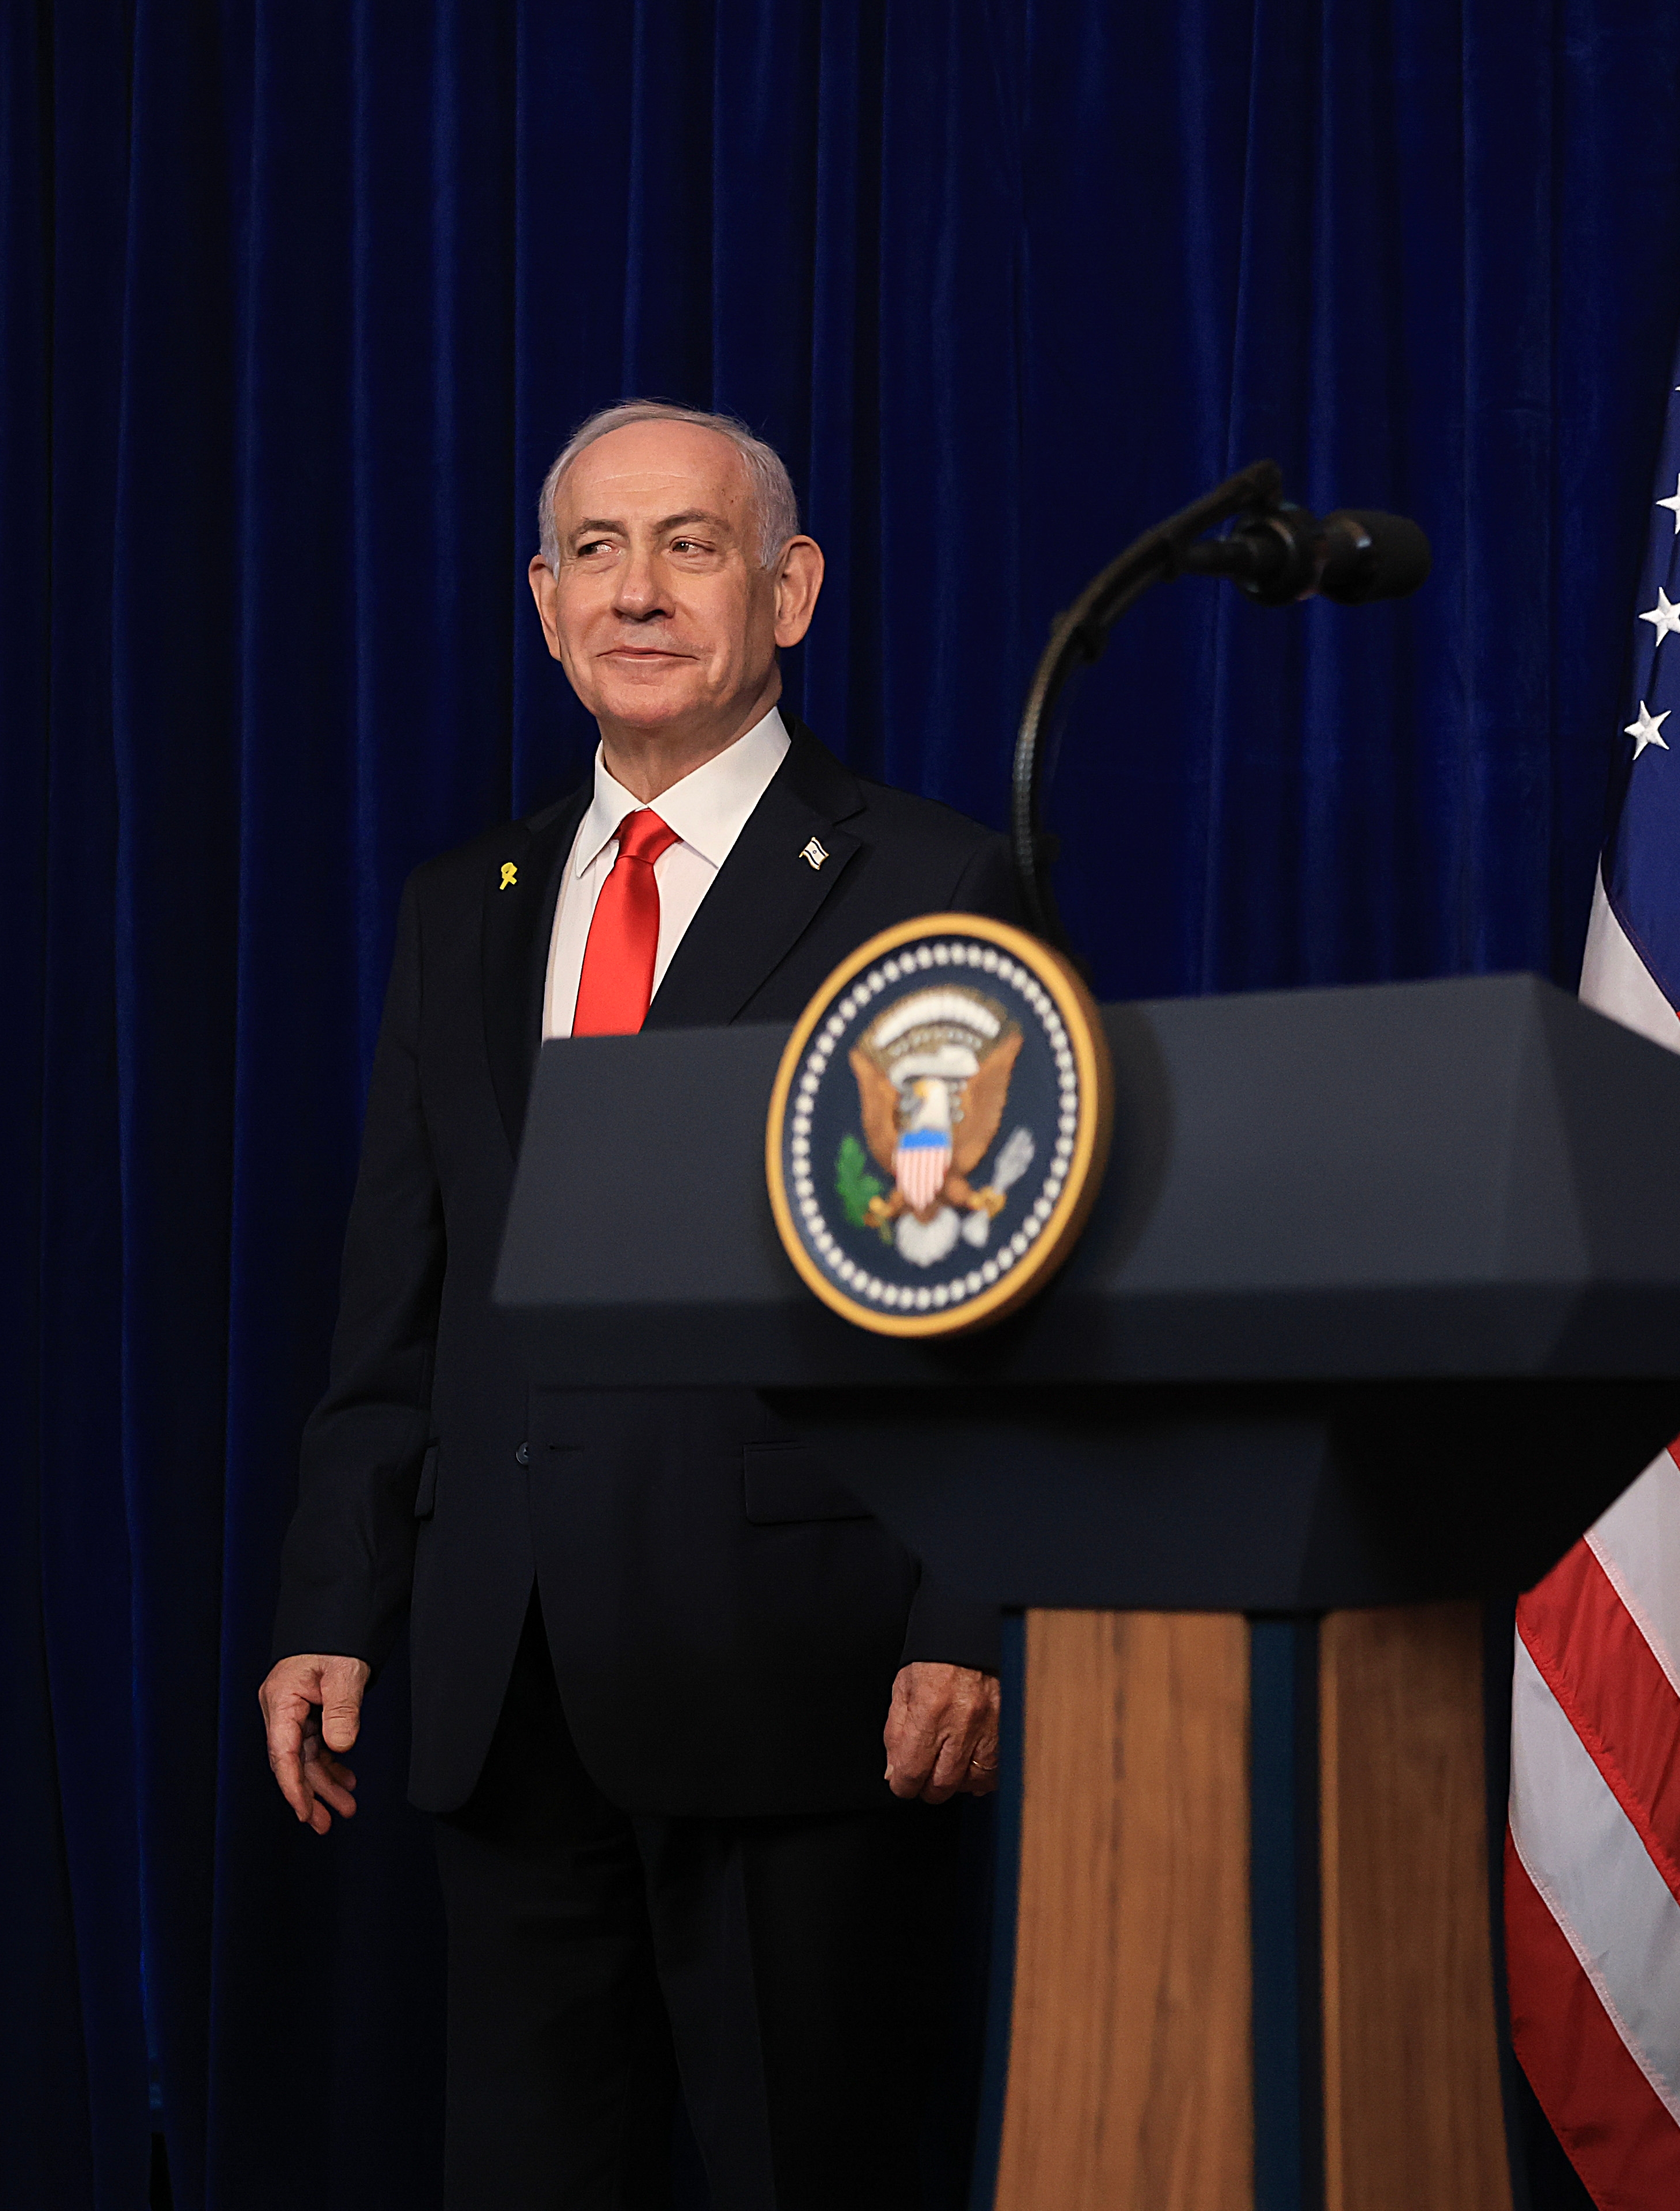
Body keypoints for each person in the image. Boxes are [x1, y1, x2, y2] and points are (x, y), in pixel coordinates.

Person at [257, 401, 1020, 2208]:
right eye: (596, 551)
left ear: (791, 587)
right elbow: (401, 1297)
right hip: (500, 1680)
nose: (640, 591)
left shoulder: (931, 879)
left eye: (689, 544)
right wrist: (333, 1601)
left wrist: (969, 1617)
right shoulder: (468, 906)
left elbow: (996, 1295)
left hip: (798, 1681)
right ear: (542, 600)